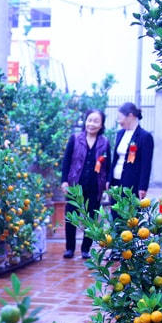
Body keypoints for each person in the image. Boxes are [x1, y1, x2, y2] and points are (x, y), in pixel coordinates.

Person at [60, 109, 111, 259]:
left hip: (95, 186)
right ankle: (70, 248)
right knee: (71, 216)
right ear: (85, 121)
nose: (92, 124)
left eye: (96, 121)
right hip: (75, 185)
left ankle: (85, 249)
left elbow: (108, 165)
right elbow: (66, 161)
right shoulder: (75, 138)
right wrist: (64, 181)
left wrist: (107, 182)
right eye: (90, 120)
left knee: (91, 217)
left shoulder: (104, 142)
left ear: (101, 125)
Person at [110, 102, 154, 199]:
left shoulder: (145, 136)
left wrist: (143, 187)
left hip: (132, 184)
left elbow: (146, 164)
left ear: (130, 116)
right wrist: (109, 180)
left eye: (120, 118)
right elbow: (115, 159)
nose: (118, 121)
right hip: (115, 182)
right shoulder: (120, 133)